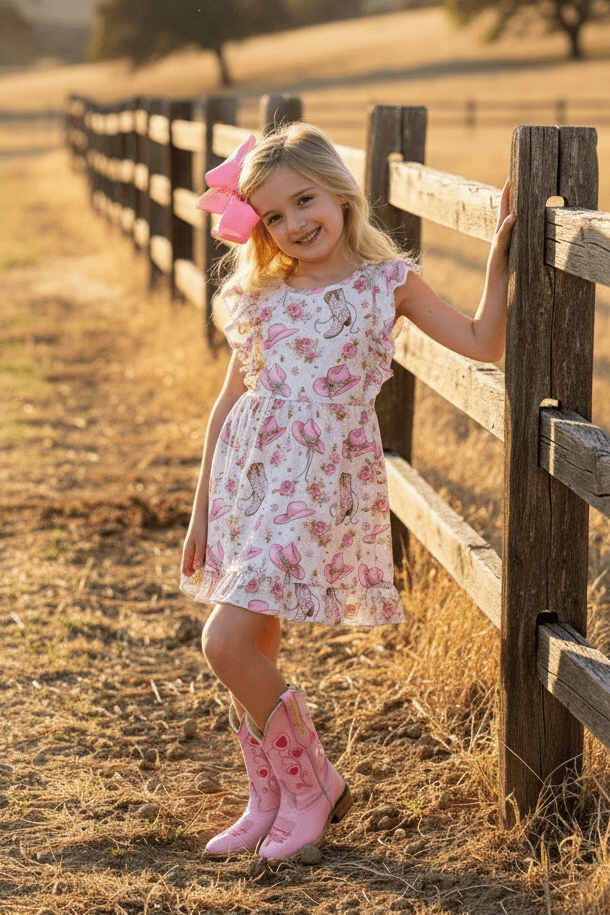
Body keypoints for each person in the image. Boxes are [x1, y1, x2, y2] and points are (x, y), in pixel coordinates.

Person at [180, 123, 516, 861]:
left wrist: (498, 264)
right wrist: (202, 507)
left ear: (339, 192)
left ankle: (313, 787)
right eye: (273, 215)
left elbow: (482, 341)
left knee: (225, 642)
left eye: (305, 200)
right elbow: (227, 400)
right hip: (252, 482)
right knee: (255, 641)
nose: (295, 223)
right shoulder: (261, 294)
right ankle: (267, 794)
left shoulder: (383, 284)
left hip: (318, 485)